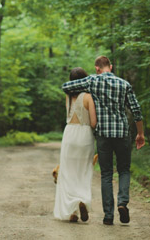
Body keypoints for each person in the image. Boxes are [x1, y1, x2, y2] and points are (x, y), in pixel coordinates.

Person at [61, 56, 145, 226]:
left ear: (97, 68)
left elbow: (66, 87)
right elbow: (136, 110)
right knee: (124, 171)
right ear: (111, 67)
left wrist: (85, 82)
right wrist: (140, 134)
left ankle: (108, 216)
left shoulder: (92, 81)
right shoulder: (124, 84)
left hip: (104, 135)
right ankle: (122, 203)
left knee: (106, 174)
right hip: (122, 133)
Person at [53, 67, 97, 223]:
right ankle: (82, 199)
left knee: (69, 172)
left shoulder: (68, 96)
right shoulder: (88, 97)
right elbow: (93, 122)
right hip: (85, 135)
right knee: (83, 171)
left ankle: (72, 211)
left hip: (69, 134)